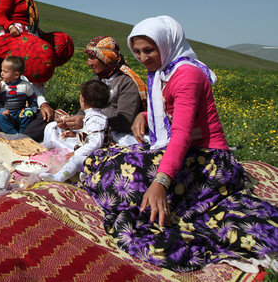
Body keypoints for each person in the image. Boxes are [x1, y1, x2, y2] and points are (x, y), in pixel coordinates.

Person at [81, 15, 278, 271]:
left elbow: (183, 134)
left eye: (149, 50)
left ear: (167, 44)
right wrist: (144, 115)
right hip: (179, 150)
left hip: (208, 159)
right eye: (138, 51)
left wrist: (161, 182)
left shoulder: (187, 76)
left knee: (121, 183)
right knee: (101, 162)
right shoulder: (162, 72)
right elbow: (169, 114)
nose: (143, 57)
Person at [43, 36, 147, 149]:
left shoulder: (126, 83)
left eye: (92, 58)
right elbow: (84, 110)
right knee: (53, 128)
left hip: (114, 134)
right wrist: (70, 121)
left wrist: (86, 122)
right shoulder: (96, 81)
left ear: (106, 58)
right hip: (90, 128)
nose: (88, 63)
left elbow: (125, 122)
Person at [0, 0, 74, 91]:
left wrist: (38, 31)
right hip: (15, 33)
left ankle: (34, 99)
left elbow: (29, 18)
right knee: (13, 67)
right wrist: (10, 26)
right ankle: (9, 97)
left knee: (34, 65)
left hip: (29, 33)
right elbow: (1, 16)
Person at [40, 80, 110, 182]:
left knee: (75, 160)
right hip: (91, 154)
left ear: (83, 100)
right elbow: (89, 136)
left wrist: (76, 153)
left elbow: (96, 143)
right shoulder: (93, 116)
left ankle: (58, 177)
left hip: (98, 157)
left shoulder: (96, 120)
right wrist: (75, 135)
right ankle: (85, 174)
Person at [0, 56, 39, 135]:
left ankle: (22, 132)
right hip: (7, 114)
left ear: (16, 75)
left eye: (5, 71)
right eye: (1, 70)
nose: (1, 74)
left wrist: (33, 108)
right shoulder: (1, 86)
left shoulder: (25, 85)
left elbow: (33, 99)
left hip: (20, 113)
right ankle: (13, 134)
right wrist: (2, 111)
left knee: (28, 114)